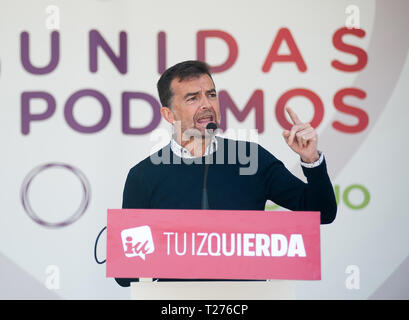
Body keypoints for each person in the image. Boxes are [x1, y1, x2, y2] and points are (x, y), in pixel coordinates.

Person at [116, 60, 337, 287]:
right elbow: (126, 275)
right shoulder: (143, 176)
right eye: (193, 98)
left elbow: (322, 212)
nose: (206, 105)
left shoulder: (252, 158)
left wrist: (311, 160)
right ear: (168, 114)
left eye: (211, 95)